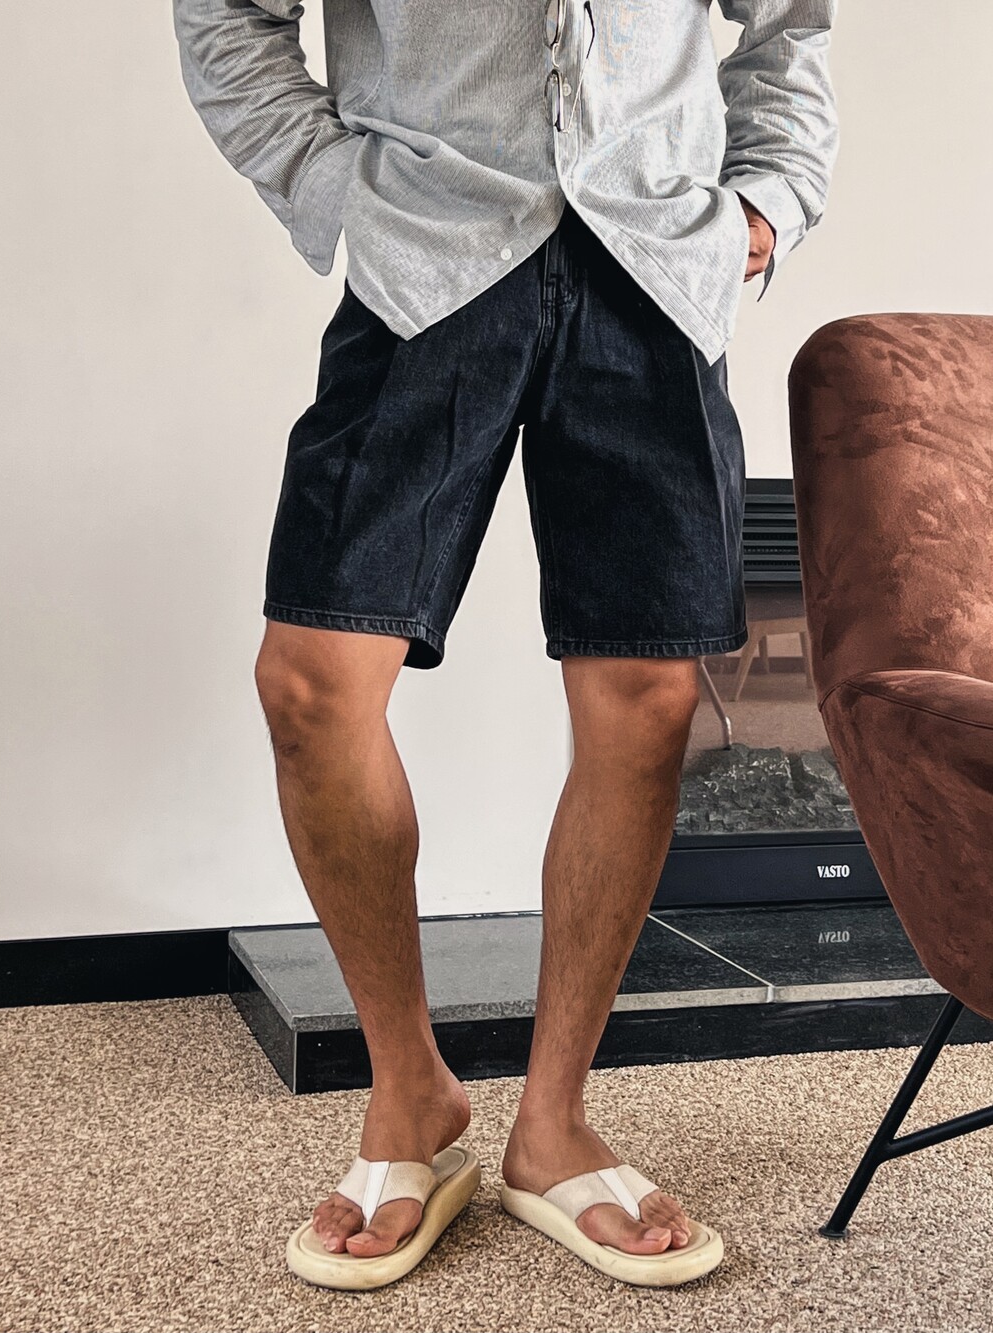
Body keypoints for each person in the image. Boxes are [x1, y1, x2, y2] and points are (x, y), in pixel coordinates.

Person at [172, 0, 839, 1290]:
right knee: (312, 685)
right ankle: (408, 1093)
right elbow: (226, 14)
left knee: (645, 695)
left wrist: (771, 198)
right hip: (426, 261)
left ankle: (553, 1123)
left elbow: (791, 25)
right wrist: (332, 184)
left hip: (655, 267)